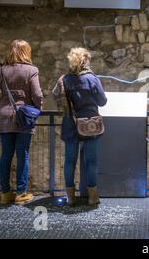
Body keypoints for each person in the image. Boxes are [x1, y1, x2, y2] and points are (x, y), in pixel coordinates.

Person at [0, 40, 43, 205]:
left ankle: (5, 193)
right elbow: (38, 95)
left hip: (4, 118)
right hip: (24, 119)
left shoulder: (1, 70)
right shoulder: (31, 70)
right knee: (22, 155)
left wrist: (2, 109)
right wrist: (36, 110)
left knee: (6, 155)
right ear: (26, 52)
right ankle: (21, 193)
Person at [52, 47, 107, 206]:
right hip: (90, 123)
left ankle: (70, 197)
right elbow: (103, 101)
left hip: (70, 122)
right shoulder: (92, 79)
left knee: (69, 161)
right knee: (91, 162)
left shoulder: (64, 80)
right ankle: (92, 196)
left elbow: (56, 97)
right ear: (85, 61)